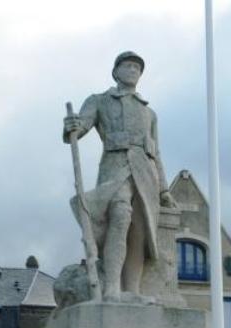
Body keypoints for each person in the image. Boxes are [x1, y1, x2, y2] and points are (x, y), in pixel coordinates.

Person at [63, 51, 176, 302]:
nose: (133, 70)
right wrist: (72, 126)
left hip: (146, 176)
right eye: (128, 66)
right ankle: (112, 288)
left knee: (139, 229)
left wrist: (165, 190)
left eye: (137, 67)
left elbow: (156, 152)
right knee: (120, 216)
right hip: (116, 168)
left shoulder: (149, 113)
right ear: (115, 71)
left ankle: (132, 291)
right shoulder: (100, 100)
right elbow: (80, 126)